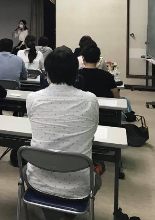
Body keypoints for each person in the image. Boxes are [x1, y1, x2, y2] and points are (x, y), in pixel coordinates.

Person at [26, 47, 100, 210]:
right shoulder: (90, 100)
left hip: (38, 180)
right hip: (78, 185)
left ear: (47, 73)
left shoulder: (33, 99)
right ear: (76, 74)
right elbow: (92, 132)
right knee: (99, 177)